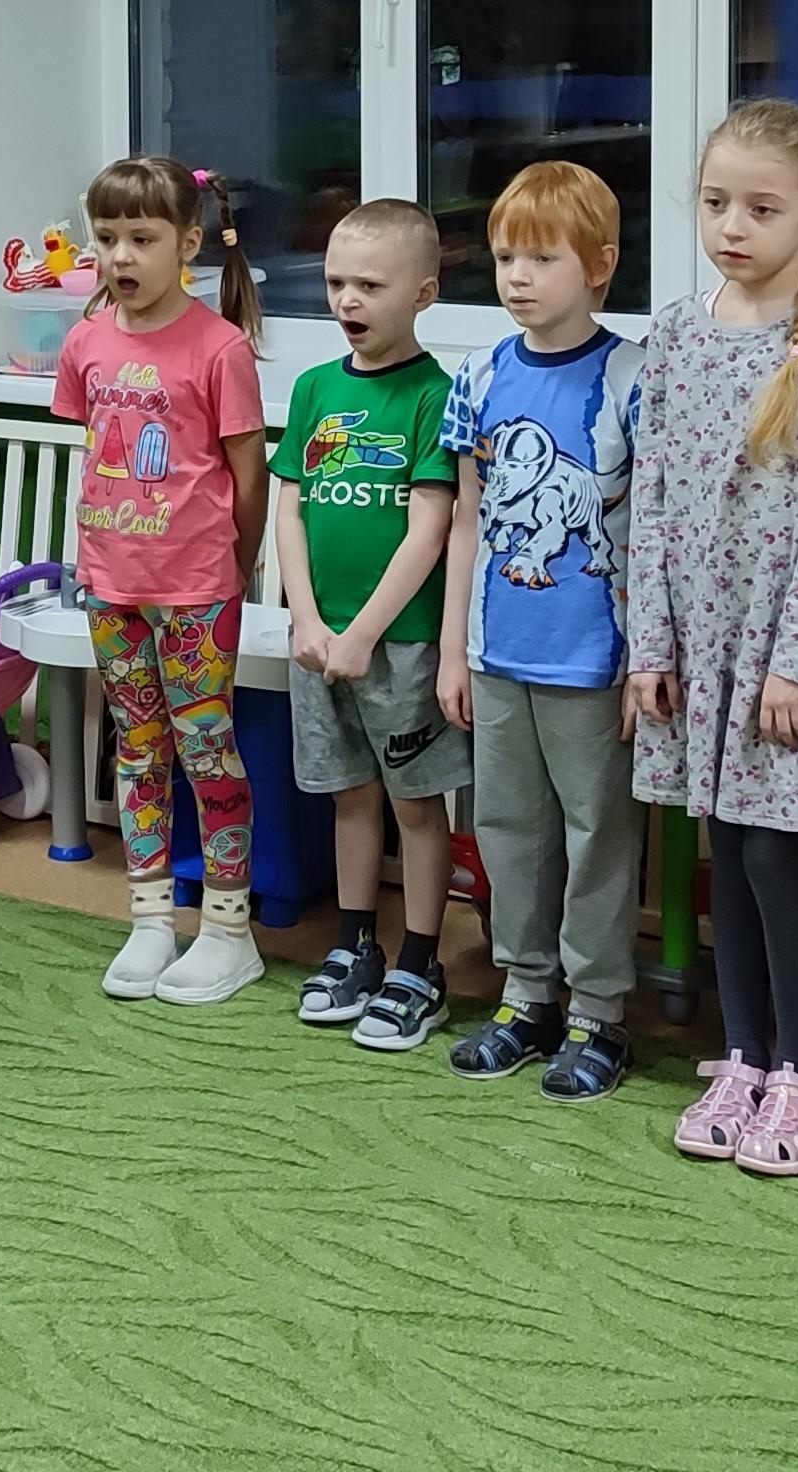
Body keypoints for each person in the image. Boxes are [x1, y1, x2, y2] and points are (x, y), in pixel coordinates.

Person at [629, 99, 798, 1173]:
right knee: (720, 846)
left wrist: (795, 665)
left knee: (776, 854)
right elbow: (651, 497)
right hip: (696, 647)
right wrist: (650, 645)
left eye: (761, 209)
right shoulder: (678, 330)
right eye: (716, 202)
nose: (732, 226)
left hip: (779, 656)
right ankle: (741, 1057)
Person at [436, 162, 647, 1101]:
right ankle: (527, 996)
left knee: (597, 835)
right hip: (496, 653)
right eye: (504, 258)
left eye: (541, 258)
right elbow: (465, 520)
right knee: (508, 828)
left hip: (594, 660)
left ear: (598, 265)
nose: (517, 277)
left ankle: (599, 1011)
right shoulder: (478, 373)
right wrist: (454, 649)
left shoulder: (632, 377)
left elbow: (652, 528)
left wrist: (647, 660)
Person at [52, 157, 271, 1006]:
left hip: (197, 590)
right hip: (112, 585)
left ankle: (228, 930)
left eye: (141, 238)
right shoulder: (86, 342)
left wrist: (234, 567)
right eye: (107, 238)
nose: (120, 257)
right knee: (137, 749)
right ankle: (150, 920)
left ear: (187, 243)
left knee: (206, 749)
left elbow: (247, 475)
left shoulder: (221, 348)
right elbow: (96, 455)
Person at [270, 200, 469, 1049]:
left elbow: (431, 531)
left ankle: (420, 964)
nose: (347, 300)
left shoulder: (436, 396)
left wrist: (364, 635)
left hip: (404, 645)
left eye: (370, 286)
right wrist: (309, 619)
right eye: (335, 283)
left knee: (415, 805)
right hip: (318, 641)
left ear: (422, 293)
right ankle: (354, 946)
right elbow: (289, 510)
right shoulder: (314, 388)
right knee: (349, 796)